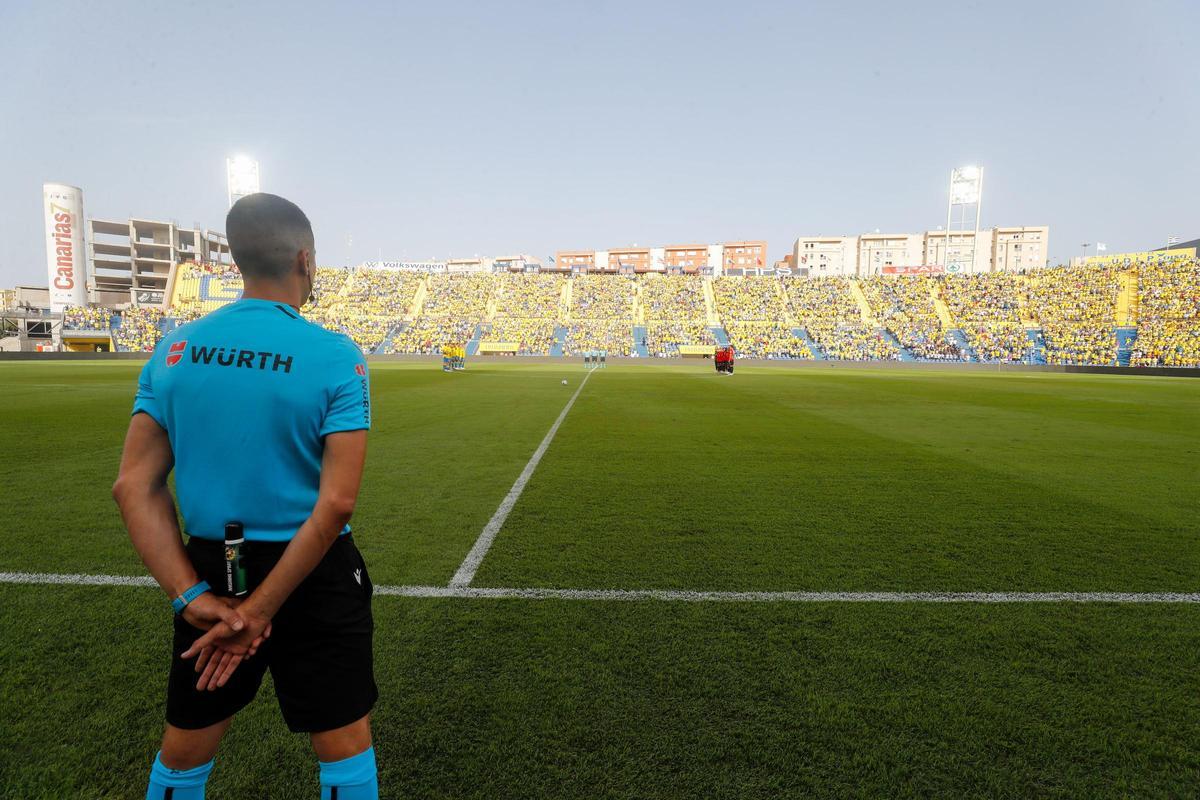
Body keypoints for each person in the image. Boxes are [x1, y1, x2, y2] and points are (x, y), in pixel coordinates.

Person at [112, 193, 379, 800]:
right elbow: (336, 504)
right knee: (343, 744)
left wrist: (191, 595)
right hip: (312, 571)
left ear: (238, 261)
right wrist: (261, 611)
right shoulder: (335, 355)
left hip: (212, 569)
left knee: (186, 746)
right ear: (305, 261)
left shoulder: (175, 349)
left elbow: (133, 486)